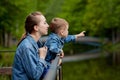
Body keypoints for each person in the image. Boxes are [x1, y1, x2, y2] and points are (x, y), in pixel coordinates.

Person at [12, 11, 49, 80]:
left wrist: (57, 52)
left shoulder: (37, 43)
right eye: (44, 23)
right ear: (36, 28)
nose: (48, 25)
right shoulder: (27, 47)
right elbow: (35, 76)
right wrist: (42, 57)